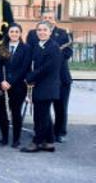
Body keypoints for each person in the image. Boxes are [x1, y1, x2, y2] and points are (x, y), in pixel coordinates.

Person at [25, 12, 72, 143]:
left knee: (61, 107)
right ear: (41, 19)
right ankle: (43, 132)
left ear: (55, 20)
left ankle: (59, 132)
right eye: (45, 18)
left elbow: (68, 53)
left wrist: (51, 57)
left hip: (61, 78)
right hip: (40, 78)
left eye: (50, 18)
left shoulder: (63, 34)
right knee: (41, 108)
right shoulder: (33, 34)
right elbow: (29, 52)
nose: (48, 20)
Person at [21, 21, 61, 153]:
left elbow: (46, 68)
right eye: (39, 30)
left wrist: (30, 77)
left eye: (45, 30)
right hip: (39, 86)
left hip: (47, 87)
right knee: (44, 115)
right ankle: (49, 142)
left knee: (40, 116)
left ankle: (37, 142)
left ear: (50, 32)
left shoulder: (53, 47)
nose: (42, 32)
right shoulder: (38, 45)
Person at [0, 23, 30, 148]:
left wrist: (11, 82)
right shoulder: (1, 47)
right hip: (2, 86)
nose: (14, 34)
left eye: (17, 32)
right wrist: (2, 81)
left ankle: (16, 139)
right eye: (12, 32)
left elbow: (24, 68)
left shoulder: (26, 48)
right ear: (8, 33)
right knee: (3, 112)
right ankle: (4, 138)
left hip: (18, 86)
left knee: (16, 112)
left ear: (20, 33)